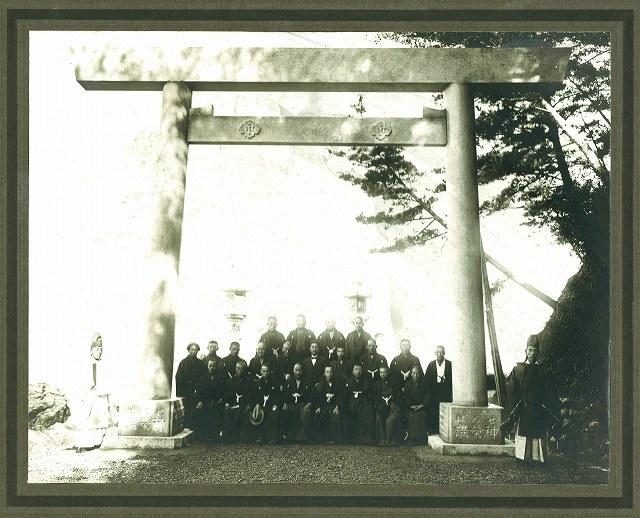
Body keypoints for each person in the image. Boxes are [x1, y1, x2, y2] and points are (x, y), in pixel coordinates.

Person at [502, 335, 560, 464]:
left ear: (539, 352)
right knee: (524, 434)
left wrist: (545, 406)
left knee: (538, 435)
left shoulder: (545, 370)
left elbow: (551, 391)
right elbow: (512, 391)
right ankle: (523, 457)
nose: (532, 353)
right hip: (524, 409)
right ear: (525, 351)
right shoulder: (518, 370)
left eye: (535, 350)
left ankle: (537, 458)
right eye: (530, 350)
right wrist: (517, 405)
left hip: (539, 409)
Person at [74, 332, 115, 453]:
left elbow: (108, 381)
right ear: (91, 350)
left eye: (101, 349)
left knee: (100, 421)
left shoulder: (104, 365)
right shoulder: (86, 364)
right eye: (97, 349)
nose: (99, 351)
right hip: (90, 396)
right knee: (88, 420)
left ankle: (96, 443)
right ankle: (83, 445)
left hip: (101, 396)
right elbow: (82, 382)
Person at [175, 342, 206, 430]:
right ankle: (185, 428)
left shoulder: (200, 363)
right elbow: (179, 378)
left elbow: (203, 377)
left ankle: (195, 430)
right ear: (188, 350)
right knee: (186, 410)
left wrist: (198, 385)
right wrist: (188, 383)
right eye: (192, 350)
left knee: (196, 410)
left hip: (196, 390)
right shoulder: (183, 363)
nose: (193, 352)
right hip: (185, 390)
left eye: (195, 350)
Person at [222, 360, 254, 443]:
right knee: (228, 413)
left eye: (242, 369)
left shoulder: (249, 381)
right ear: (235, 369)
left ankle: (241, 437)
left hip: (244, 403)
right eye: (238, 368)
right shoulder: (230, 381)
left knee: (242, 413)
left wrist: (249, 404)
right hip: (233, 404)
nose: (240, 371)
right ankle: (229, 437)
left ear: (245, 370)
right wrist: (227, 403)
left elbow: (251, 394)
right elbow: (226, 394)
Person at [424, 345, 453, 434]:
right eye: (438, 352)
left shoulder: (449, 364)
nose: (439, 354)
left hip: (445, 391)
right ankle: (433, 430)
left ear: (444, 353)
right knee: (433, 410)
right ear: (435, 353)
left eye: (441, 352)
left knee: (445, 411)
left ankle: (445, 431)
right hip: (434, 391)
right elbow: (427, 380)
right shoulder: (431, 364)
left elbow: (452, 379)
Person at [194, 358, 224, 441]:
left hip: (217, 401)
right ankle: (202, 434)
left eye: (213, 366)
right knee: (199, 410)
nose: (212, 368)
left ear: (216, 366)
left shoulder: (221, 377)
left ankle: (214, 434)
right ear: (207, 366)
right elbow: (199, 391)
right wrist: (200, 401)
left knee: (217, 411)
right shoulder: (203, 378)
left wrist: (221, 399)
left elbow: (223, 391)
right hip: (205, 401)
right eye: (210, 366)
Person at [281, 363, 313, 442]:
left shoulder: (308, 381)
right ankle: (289, 436)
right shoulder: (288, 381)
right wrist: (284, 403)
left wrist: (309, 403)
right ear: (293, 371)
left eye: (300, 370)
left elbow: (312, 394)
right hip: (291, 404)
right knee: (288, 411)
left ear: (303, 371)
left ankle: (303, 437)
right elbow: (284, 394)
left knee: (306, 413)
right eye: (296, 370)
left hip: (303, 404)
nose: (298, 372)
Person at [373, 365, 404, 446]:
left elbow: (399, 396)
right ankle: (382, 439)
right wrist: (380, 404)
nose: (383, 374)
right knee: (379, 418)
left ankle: (390, 440)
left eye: (385, 372)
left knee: (392, 418)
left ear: (388, 372)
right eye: (381, 373)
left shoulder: (394, 383)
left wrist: (391, 401)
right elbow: (375, 397)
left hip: (392, 404)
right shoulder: (377, 384)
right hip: (381, 404)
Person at [345, 364, 375, 445]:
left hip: (363, 401)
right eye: (356, 370)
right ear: (353, 371)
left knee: (366, 413)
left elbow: (369, 393)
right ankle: (351, 439)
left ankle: (365, 439)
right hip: (351, 401)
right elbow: (346, 394)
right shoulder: (348, 380)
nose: (358, 372)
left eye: (360, 370)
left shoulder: (366, 380)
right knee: (349, 413)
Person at [252, 363, 282, 444]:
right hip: (261, 405)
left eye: (267, 371)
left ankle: (271, 437)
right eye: (264, 371)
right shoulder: (258, 383)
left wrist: (275, 404)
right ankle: (260, 436)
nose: (265, 373)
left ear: (270, 372)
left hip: (271, 405)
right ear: (261, 371)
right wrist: (257, 404)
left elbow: (278, 396)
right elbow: (255, 396)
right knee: (259, 414)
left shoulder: (275, 383)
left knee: (272, 414)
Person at [314, 365, 344, 444]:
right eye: (327, 372)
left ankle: (334, 438)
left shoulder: (337, 384)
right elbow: (318, 397)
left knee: (335, 415)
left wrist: (337, 407)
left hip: (334, 406)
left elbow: (340, 396)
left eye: (331, 372)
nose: (329, 374)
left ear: (333, 373)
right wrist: (318, 407)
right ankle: (322, 438)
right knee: (320, 415)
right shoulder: (321, 384)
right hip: (324, 406)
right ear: (324, 373)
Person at [403, 365, 428, 445]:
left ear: (420, 374)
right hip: (411, 408)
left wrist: (422, 405)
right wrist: (411, 406)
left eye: (417, 373)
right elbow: (406, 399)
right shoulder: (407, 386)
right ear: (410, 374)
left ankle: (421, 439)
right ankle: (412, 439)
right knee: (411, 416)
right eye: (413, 373)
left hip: (422, 407)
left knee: (422, 415)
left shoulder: (424, 385)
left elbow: (427, 396)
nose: (415, 375)